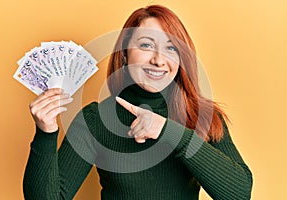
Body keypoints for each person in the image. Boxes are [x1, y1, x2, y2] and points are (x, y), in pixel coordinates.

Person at [23, 4, 253, 200]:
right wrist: (46, 134)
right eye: (146, 45)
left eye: (171, 48)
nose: (158, 60)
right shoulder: (95, 120)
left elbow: (239, 193)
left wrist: (166, 129)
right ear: (124, 54)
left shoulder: (202, 115)